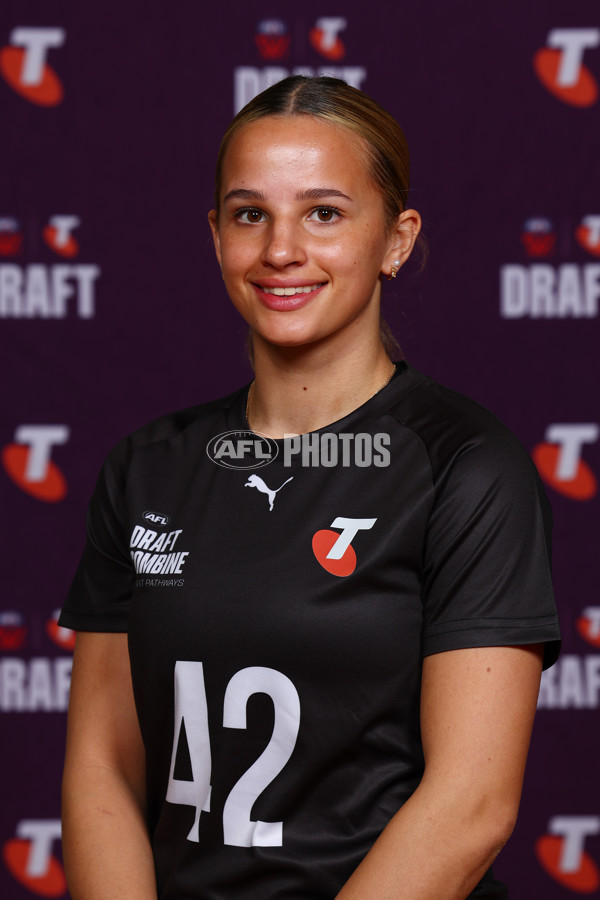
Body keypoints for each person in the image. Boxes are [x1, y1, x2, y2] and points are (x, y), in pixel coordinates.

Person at [59, 75, 560, 900]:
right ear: (217, 234)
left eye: (324, 213)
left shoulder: (465, 465)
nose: (280, 250)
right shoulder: (147, 467)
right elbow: (101, 768)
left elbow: (471, 808)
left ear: (396, 241)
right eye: (250, 214)